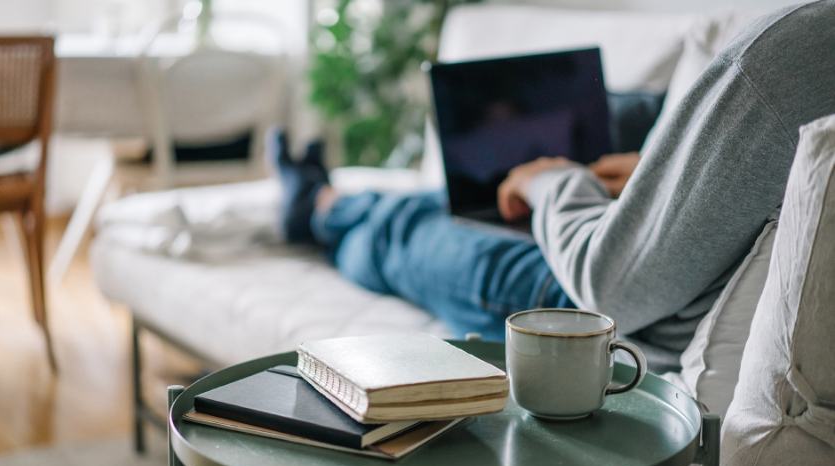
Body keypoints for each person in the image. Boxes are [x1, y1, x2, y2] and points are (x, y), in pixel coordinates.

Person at [275, 1, 835, 373]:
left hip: (600, 316)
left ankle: (318, 208)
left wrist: (549, 178)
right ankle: (327, 200)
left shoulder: (798, 54)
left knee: (404, 231)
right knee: (443, 205)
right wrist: (655, 170)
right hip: (649, 274)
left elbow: (611, 286)